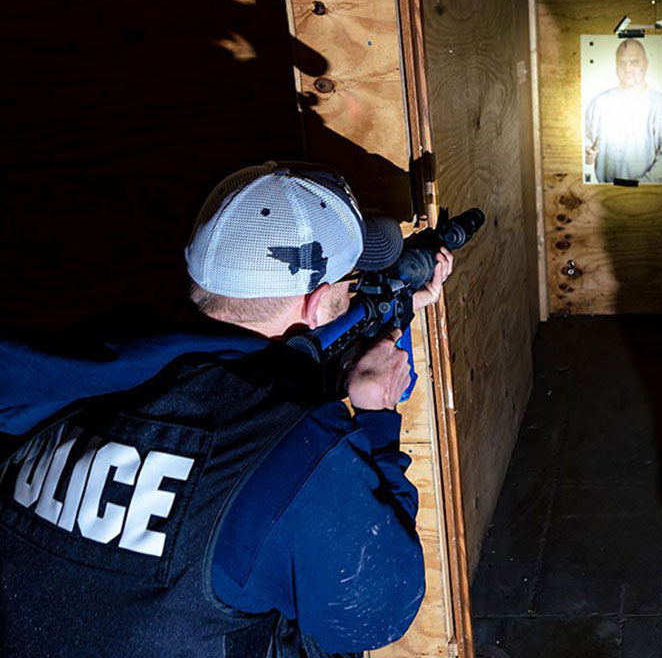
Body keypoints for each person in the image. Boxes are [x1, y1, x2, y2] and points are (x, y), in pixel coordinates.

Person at [0, 161, 453, 656]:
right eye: (350, 286)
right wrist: (377, 415)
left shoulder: (89, 362)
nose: (352, 294)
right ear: (317, 304)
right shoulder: (293, 451)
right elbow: (378, 614)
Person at [584, 38, 662, 186]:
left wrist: (640, 187)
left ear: (645, 65)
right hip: (606, 191)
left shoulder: (661, 105)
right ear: (615, 65)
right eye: (622, 63)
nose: (627, 69)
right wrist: (586, 151)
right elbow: (585, 137)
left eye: (634, 62)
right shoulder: (599, 102)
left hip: (645, 194)